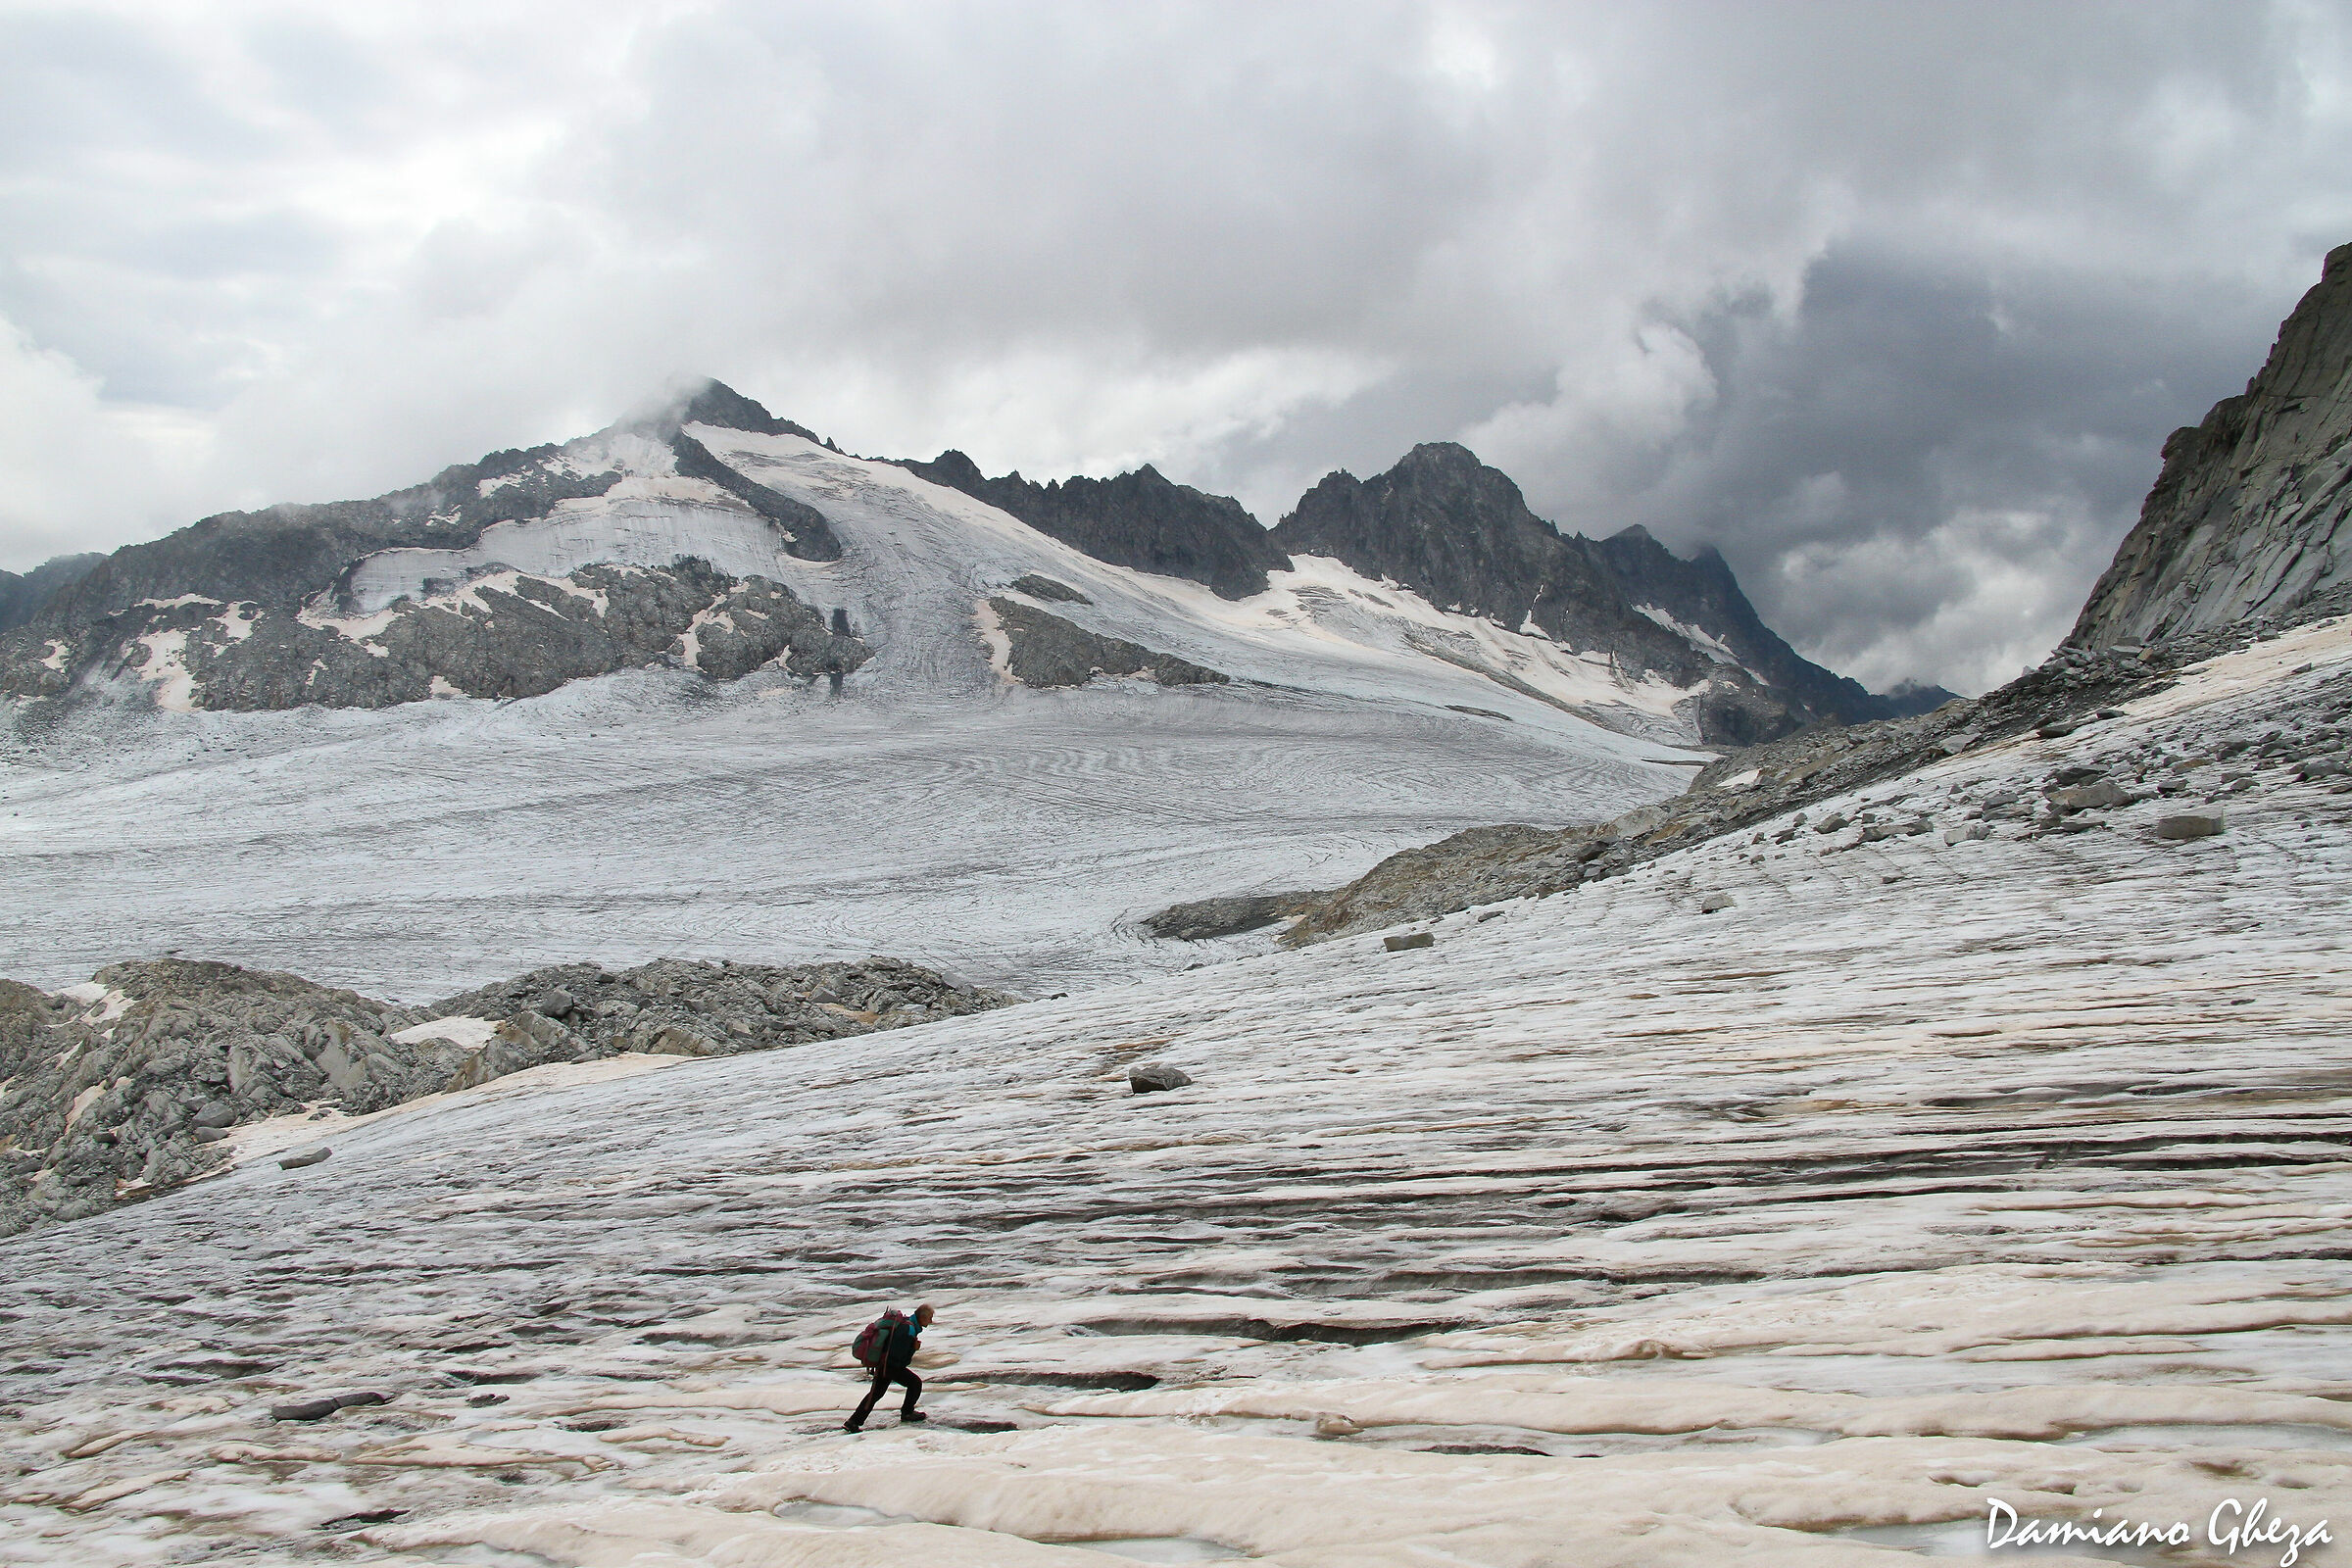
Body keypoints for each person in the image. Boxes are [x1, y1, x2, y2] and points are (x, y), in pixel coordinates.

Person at [845, 1302, 934, 1431]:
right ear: (922, 1317)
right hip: (890, 1366)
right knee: (915, 1383)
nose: (931, 1321)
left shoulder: (908, 1324)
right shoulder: (909, 1329)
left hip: (884, 1364)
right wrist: (913, 1349)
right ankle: (907, 1413)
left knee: (876, 1394)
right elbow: (900, 1354)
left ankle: (853, 1422)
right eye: (929, 1318)